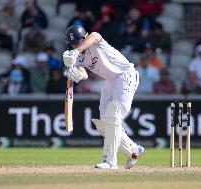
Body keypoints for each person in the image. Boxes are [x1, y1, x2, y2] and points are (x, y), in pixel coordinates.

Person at [62, 25, 144, 169]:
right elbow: (84, 74)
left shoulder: (94, 38)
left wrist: (75, 52)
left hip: (125, 75)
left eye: (76, 43)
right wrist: (73, 73)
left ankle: (110, 162)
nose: (74, 46)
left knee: (114, 116)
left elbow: (94, 36)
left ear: (83, 38)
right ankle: (133, 149)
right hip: (110, 81)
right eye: (72, 44)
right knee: (104, 124)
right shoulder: (79, 57)